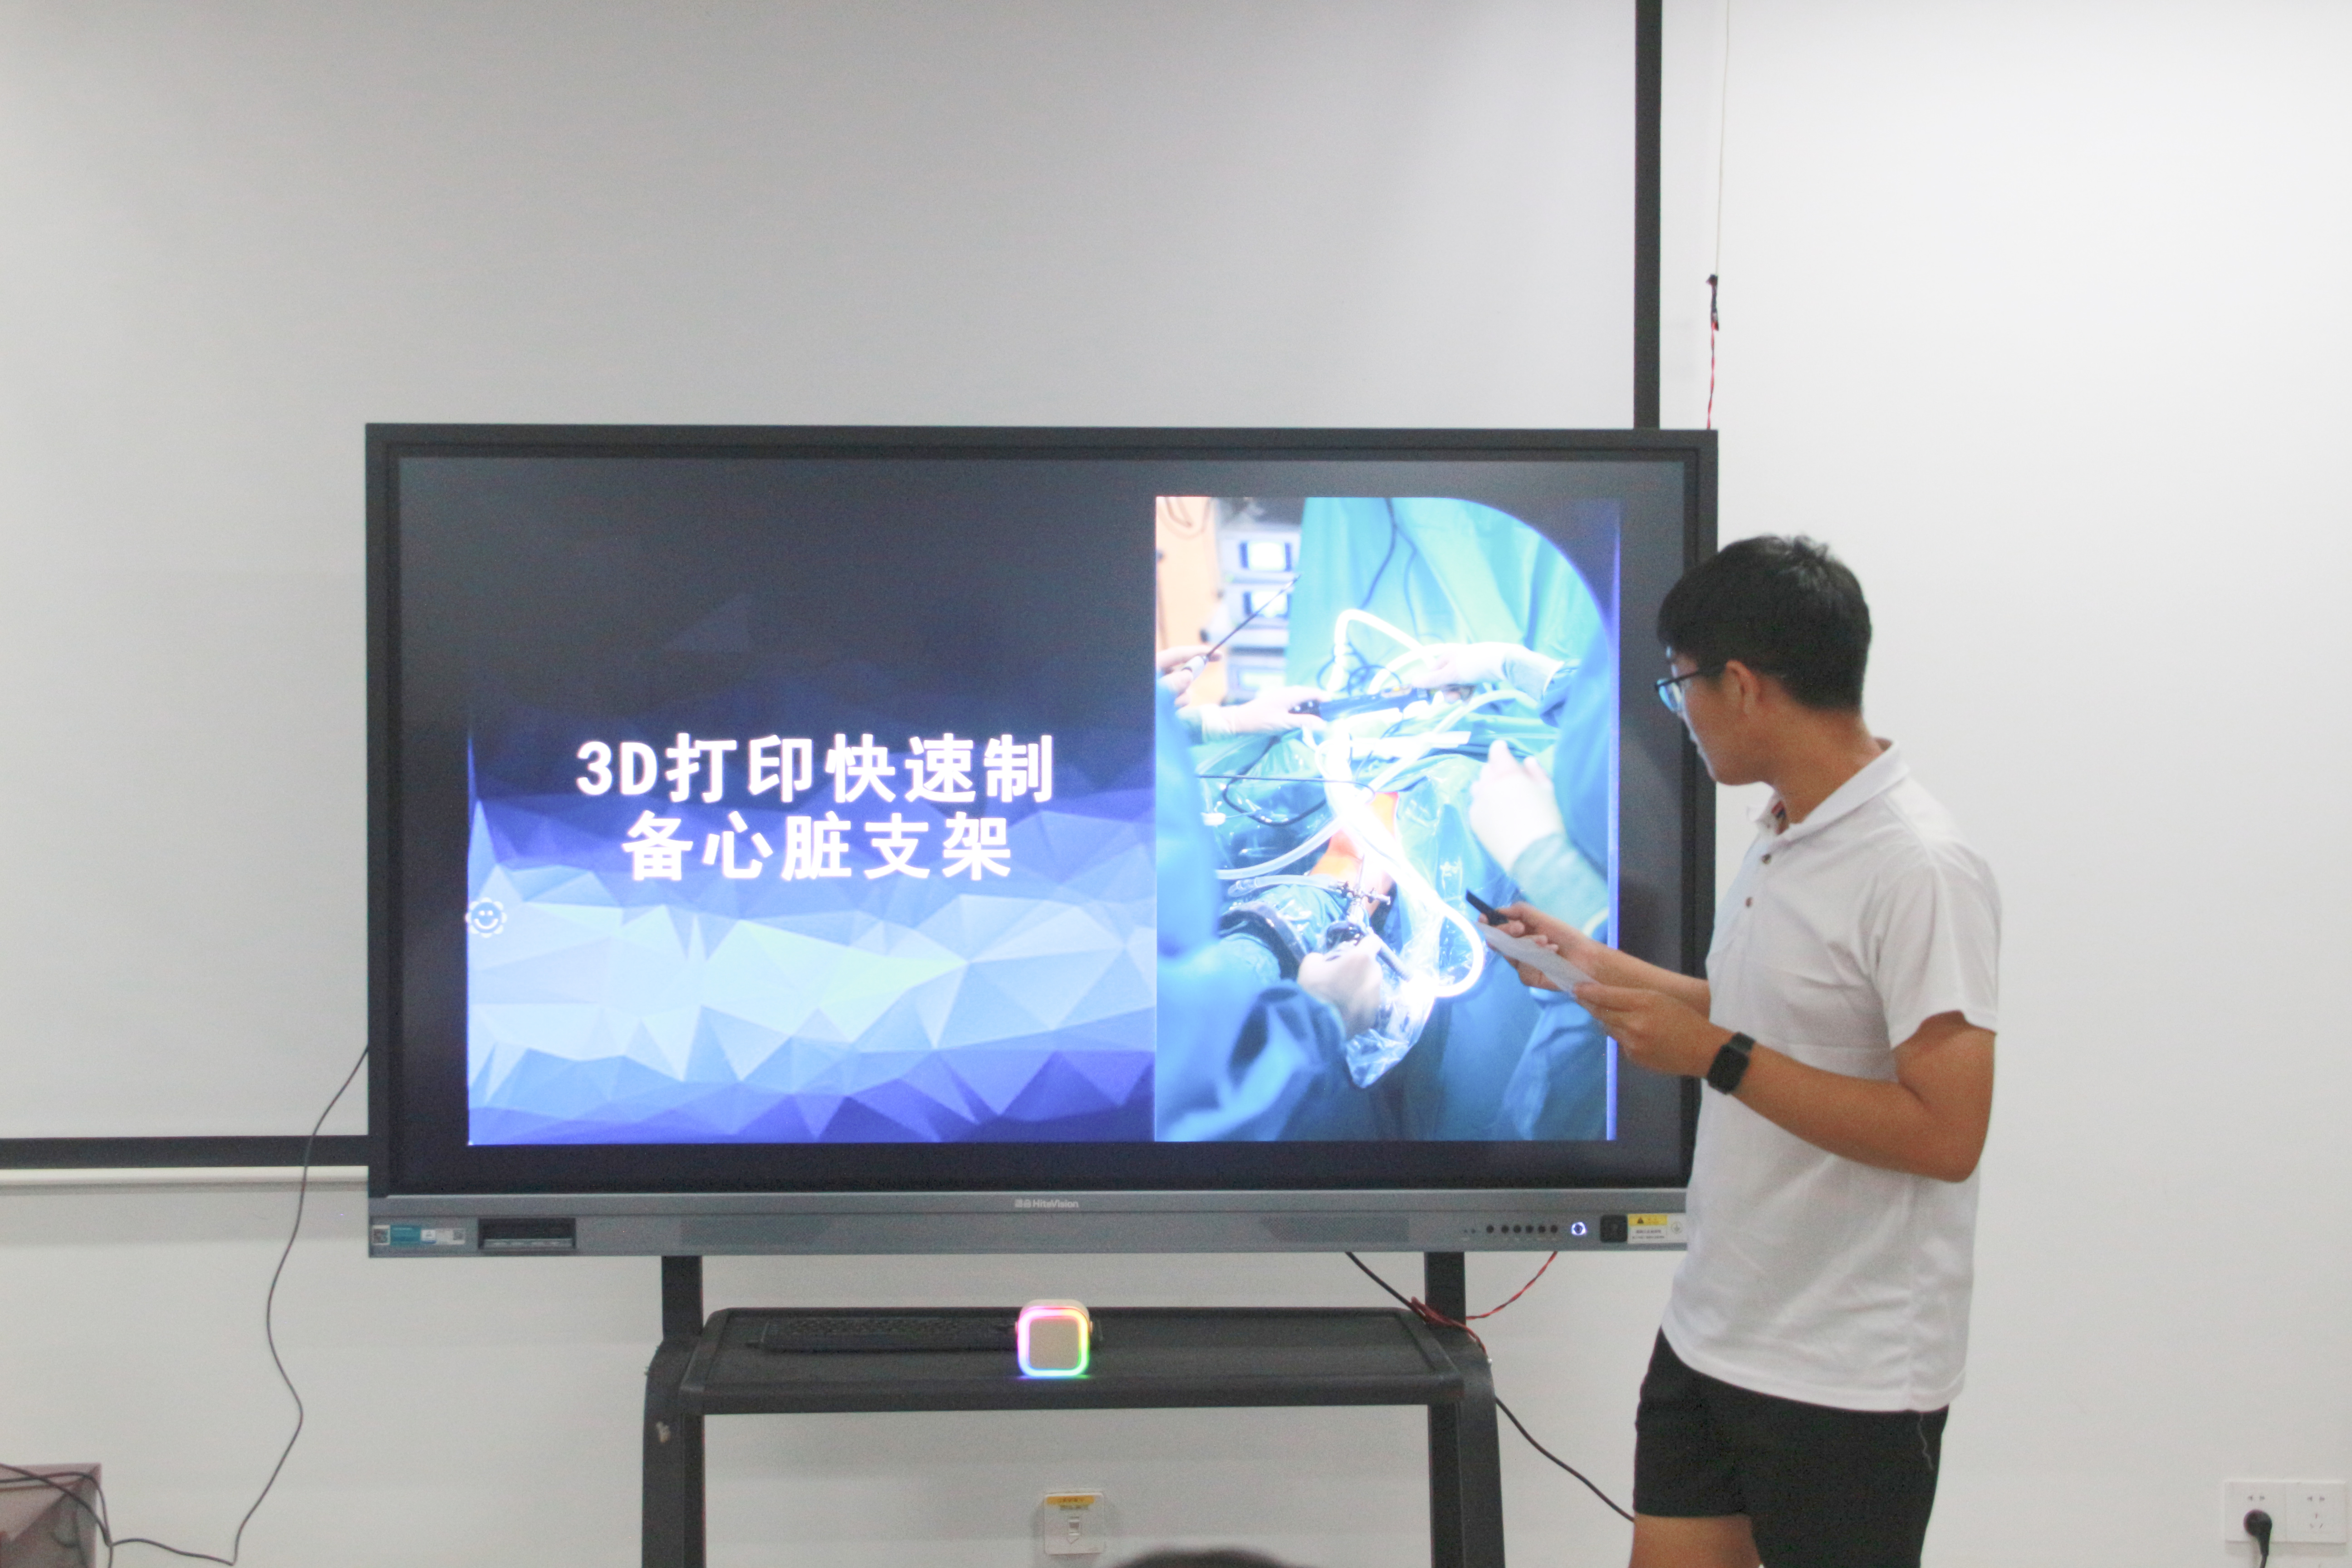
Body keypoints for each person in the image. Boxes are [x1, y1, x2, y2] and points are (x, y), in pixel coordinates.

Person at [1486, 536, 1999, 1568]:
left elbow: (1947, 1134)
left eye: (1680, 685)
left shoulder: (1920, 867)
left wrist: (1715, 1057)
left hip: (1847, 1371)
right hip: (1712, 1331)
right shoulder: (1784, 829)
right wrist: (1594, 965)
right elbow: (1768, 1014)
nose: (1679, 713)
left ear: (1744, 686)